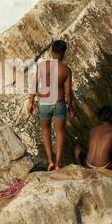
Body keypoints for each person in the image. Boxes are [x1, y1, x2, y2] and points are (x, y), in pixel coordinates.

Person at [26, 39, 75, 171]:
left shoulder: (42, 66)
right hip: (59, 103)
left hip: (44, 103)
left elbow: (34, 84)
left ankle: (50, 162)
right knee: (60, 133)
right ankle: (58, 163)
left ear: (51, 51)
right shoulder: (66, 70)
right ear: (64, 53)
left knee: (45, 131)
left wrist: (30, 102)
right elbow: (68, 92)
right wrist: (70, 108)